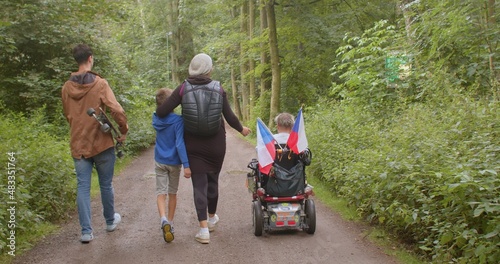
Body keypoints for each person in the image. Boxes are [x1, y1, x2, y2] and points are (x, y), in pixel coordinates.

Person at [156, 53, 251, 244]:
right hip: (216, 143)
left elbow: (162, 111)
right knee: (213, 181)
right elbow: (229, 116)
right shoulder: (218, 88)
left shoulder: (183, 88)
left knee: (199, 185)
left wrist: (176, 120)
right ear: (208, 69)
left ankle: (203, 230)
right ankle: (212, 217)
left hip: (193, 144)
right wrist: (242, 129)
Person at [61, 44, 128, 243]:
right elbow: (116, 109)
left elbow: (68, 114)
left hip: (78, 144)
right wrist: (123, 131)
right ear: (90, 58)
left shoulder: (66, 87)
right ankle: (109, 221)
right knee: (105, 184)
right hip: (101, 143)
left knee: (83, 186)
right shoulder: (100, 83)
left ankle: (86, 232)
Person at [152, 88, 192, 243]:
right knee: (172, 193)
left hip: (159, 160)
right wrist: (187, 165)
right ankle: (171, 222)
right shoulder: (178, 120)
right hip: (174, 162)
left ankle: (163, 219)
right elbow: (180, 144)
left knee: (160, 193)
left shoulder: (155, 118)